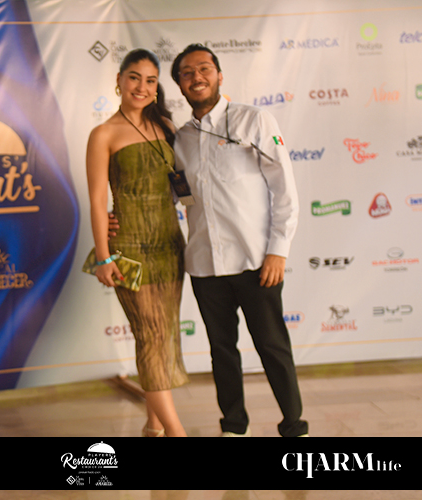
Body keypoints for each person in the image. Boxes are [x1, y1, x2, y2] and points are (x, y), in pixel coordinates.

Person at [170, 43, 309, 437]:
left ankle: (294, 425)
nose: (196, 77)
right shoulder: (180, 140)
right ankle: (233, 425)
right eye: (187, 73)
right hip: (204, 264)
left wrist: (278, 251)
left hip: (256, 261)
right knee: (222, 351)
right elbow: (179, 196)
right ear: (180, 84)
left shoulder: (255, 121)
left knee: (272, 346)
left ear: (219, 75)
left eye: (204, 69)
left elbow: (284, 190)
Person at [86, 48, 188, 437]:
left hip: (170, 244)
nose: (141, 87)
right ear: (119, 80)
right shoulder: (103, 134)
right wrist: (103, 256)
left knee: (164, 336)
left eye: (150, 80)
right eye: (134, 77)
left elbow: (184, 186)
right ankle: (176, 432)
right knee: (150, 336)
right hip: (128, 247)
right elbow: (97, 200)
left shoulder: (166, 126)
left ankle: (153, 425)